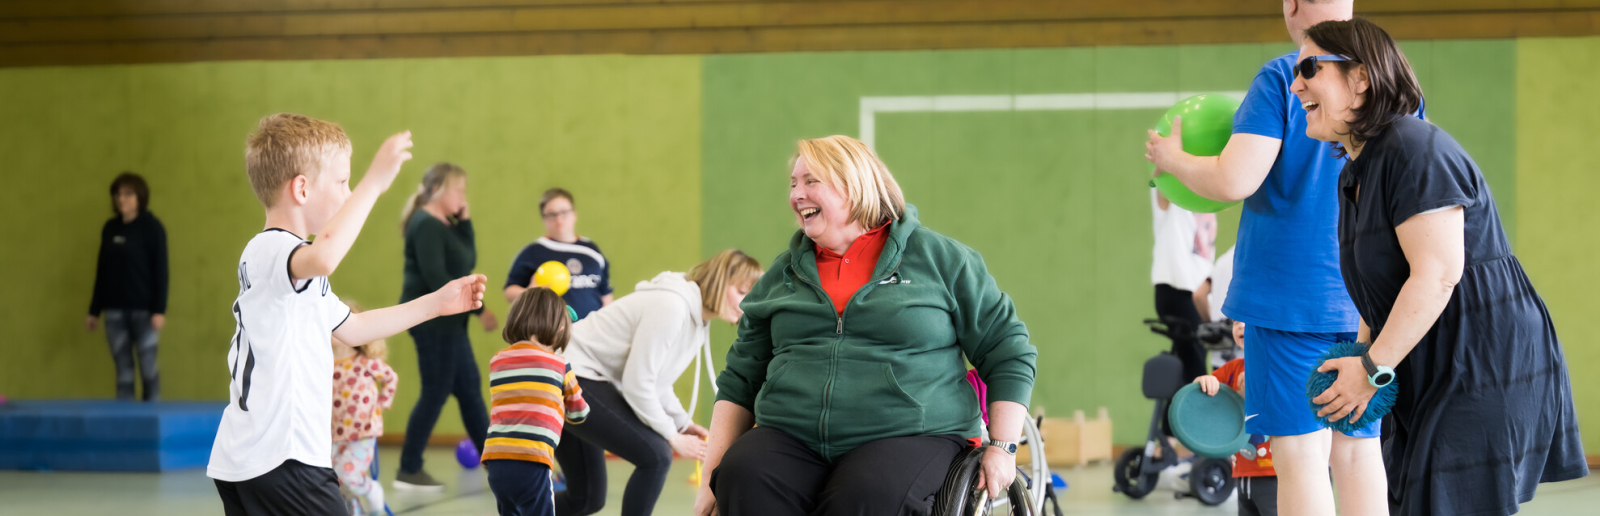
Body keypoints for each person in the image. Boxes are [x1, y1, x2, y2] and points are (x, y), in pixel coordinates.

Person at [1294, 18, 1588, 514]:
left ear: (1360, 77)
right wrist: (1362, 361)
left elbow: (1437, 272)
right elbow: (1376, 287)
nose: (1296, 82)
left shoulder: (1414, 146)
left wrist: (1370, 368)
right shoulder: (1354, 174)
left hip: (1483, 359)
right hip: (1421, 361)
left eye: (1309, 66)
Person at [694, 135, 1038, 516]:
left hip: (911, 434)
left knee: (867, 492)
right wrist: (712, 478)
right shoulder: (782, 275)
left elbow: (1007, 350)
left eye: (811, 181)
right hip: (793, 436)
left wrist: (1004, 447)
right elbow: (740, 379)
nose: (796, 195)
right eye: (793, 184)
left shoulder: (942, 260)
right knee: (743, 474)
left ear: (854, 186)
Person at [1144, 2, 1390, 514]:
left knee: (1300, 455)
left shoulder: (1283, 77)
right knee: (1358, 449)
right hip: (1366, 302)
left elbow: (1234, 179)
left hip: (1287, 303)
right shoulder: (1391, 82)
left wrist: (1172, 159)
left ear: (1293, 5)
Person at [208, 113, 488, 516]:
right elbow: (325, 255)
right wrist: (375, 182)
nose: (349, 192)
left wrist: (437, 304)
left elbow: (354, 327)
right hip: (281, 459)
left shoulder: (299, 276)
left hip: (256, 461)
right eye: (342, 182)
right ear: (301, 188)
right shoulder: (270, 250)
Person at [554, 250, 762, 516]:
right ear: (721, 281)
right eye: (742, 292)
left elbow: (657, 382)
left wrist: (682, 423)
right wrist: (672, 436)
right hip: (570, 373)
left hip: (579, 374)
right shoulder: (672, 306)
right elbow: (637, 383)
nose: (745, 305)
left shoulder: (696, 320)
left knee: (586, 499)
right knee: (657, 456)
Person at [396, 162, 499, 490]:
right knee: (435, 392)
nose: (463, 196)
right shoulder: (425, 224)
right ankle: (409, 469)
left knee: (469, 391)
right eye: (459, 190)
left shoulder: (446, 224)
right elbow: (436, 278)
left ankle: (495, 467)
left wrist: (465, 222)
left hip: (450, 325)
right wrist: (477, 310)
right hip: (432, 323)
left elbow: (466, 259)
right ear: (440, 189)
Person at [483, 287, 590, 516]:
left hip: (496, 462)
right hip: (532, 460)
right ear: (559, 328)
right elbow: (579, 413)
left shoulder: (497, 361)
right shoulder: (560, 365)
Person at [86, 172, 169, 401]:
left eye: (128, 194)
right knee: (123, 372)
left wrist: (159, 310)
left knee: (149, 369)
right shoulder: (110, 229)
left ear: (139, 197)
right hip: (114, 313)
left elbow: (161, 271)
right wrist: (94, 310)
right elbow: (101, 272)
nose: (122, 199)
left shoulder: (153, 228)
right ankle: (126, 423)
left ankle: (152, 419)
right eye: (118, 194)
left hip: (144, 313)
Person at [1193, 321, 1277, 516]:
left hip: (1273, 473)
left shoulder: (1276, 368)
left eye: (1246, 321)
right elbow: (1197, 395)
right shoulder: (1231, 369)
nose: (1239, 326)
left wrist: (1255, 386)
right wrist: (1205, 381)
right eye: (1235, 322)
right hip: (1242, 471)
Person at [330, 302, 398, 516]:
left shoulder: (365, 362)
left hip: (363, 432)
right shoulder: (327, 364)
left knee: (348, 475)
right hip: (334, 434)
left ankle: (371, 490)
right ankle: (354, 511)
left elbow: (390, 378)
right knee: (335, 480)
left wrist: (383, 403)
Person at [505, 188, 614, 320]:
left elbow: (606, 294)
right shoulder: (533, 252)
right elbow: (509, 292)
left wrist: (606, 323)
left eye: (564, 212)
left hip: (591, 333)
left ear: (574, 214)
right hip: (550, 334)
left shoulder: (592, 251)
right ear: (544, 219)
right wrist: (530, 292)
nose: (559, 219)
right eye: (551, 214)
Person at [1151, 188, 1217, 382]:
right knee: (1195, 369)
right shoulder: (1177, 202)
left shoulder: (1210, 205)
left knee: (1192, 364)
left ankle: (1174, 410)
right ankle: (1188, 411)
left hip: (1199, 296)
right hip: (1177, 289)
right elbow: (1163, 188)